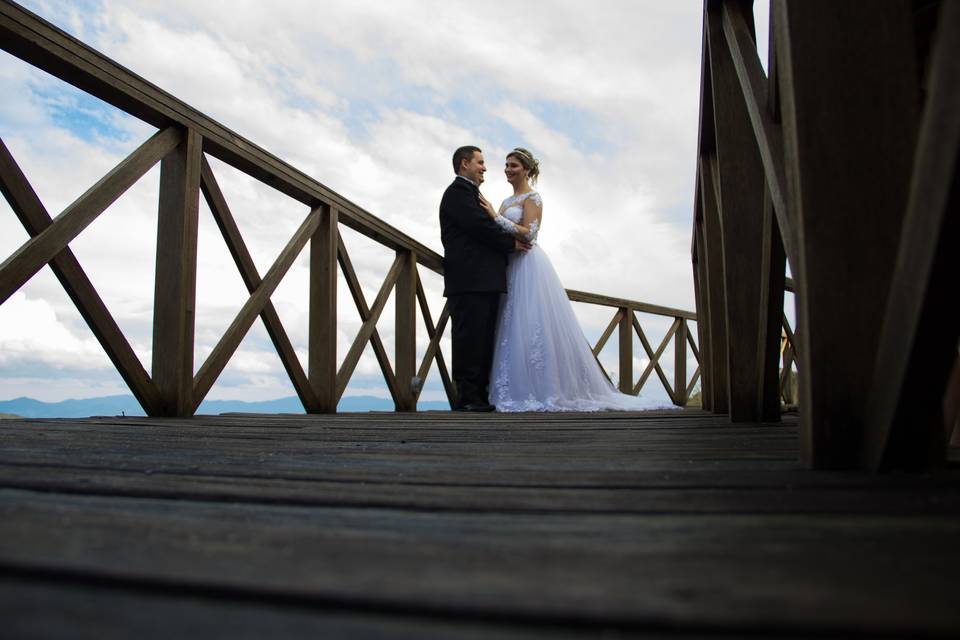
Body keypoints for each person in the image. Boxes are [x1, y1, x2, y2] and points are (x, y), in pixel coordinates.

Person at [478, 148, 674, 412]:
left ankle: (545, 388)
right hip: (510, 266)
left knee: (533, 324)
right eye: (506, 165)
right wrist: (499, 225)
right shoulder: (504, 202)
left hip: (529, 267)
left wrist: (495, 217)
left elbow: (530, 234)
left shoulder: (532, 198)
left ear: (525, 169)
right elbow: (505, 234)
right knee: (511, 326)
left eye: (513, 165)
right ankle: (512, 387)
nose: (507, 169)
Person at [439, 146, 530, 412]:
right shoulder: (457, 193)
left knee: (481, 339)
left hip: (482, 280)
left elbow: (485, 225)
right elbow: (480, 227)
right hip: (470, 280)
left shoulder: (470, 193)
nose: (485, 168)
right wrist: (511, 243)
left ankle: (478, 396)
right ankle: (468, 398)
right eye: (480, 162)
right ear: (464, 164)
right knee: (469, 339)